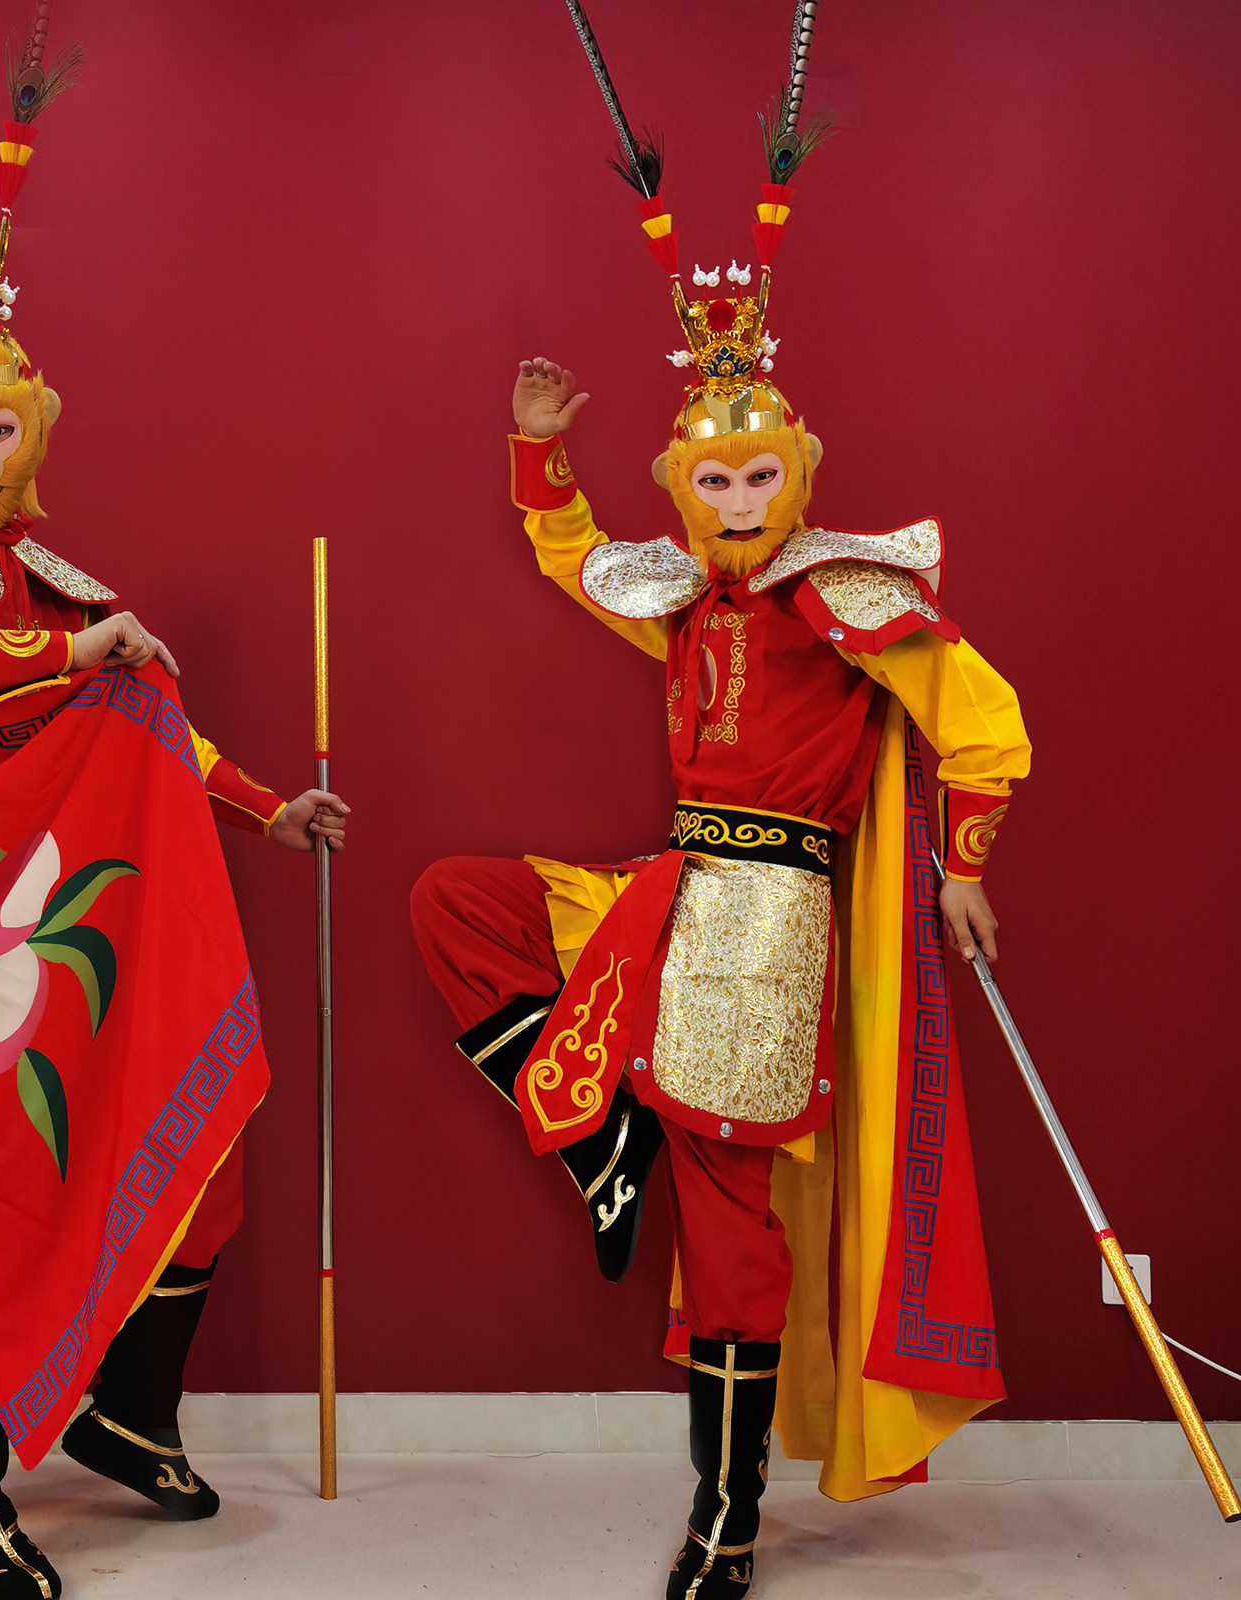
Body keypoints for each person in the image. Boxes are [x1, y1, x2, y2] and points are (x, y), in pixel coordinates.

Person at [410, 21, 1028, 1588]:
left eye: (758, 480)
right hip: (673, 894)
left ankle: (728, 1516)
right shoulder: (685, 602)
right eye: (712, 482)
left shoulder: (845, 598)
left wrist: (963, 863)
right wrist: (539, 456)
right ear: (683, 488)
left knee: (734, 1215)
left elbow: (980, 716)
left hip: (771, 929)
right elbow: (577, 565)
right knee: (455, 904)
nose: (737, 504)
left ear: (794, 476)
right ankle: (605, 1131)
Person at [0, 19, 347, 1597]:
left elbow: (140, 722)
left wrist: (261, 807)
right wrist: (62, 653)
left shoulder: (58, 583)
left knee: (197, 1157)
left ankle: (120, 1410)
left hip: (77, 935)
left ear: (31, 435)